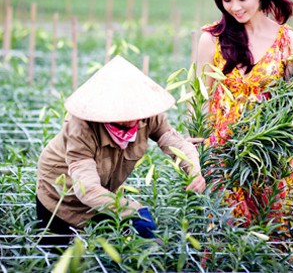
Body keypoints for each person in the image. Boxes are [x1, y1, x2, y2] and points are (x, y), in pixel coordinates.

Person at [36, 56, 206, 246]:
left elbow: (174, 141)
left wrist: (194, 170)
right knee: (54, 254)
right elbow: (87, 189)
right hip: (61, 195)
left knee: (109, 251)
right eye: (124, 112)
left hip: (104, 194)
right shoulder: (81, 126)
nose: (133, 118)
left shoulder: (146, 113)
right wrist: (132, 210)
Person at [196, 0, 293, 229]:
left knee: (279, 238)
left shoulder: (288, 42)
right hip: (224, 160)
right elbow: (200, 100)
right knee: (227, 243)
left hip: (271, 158)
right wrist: (201, 157)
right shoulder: (211, 39)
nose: (234, 7)